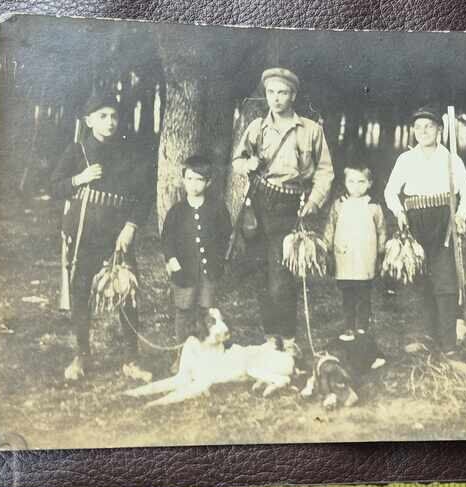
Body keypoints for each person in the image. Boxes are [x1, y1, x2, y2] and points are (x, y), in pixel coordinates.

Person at [52, 90, 155, 379]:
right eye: (102, 116)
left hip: (117, 236)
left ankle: (132, 359)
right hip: (83, 236)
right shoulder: (77, 151)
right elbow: (54, 186)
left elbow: (144, 196)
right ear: (89, 120)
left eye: (113, 116)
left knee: (126, 292)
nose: (110, 122)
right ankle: (81, 355)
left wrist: (131, 226)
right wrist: (79, 178)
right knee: (80, 292)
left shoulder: (129, 152)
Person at [231, 67, 334, 347]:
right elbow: (238, 160)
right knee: (262, 275)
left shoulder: (311, 130)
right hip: (258, 205)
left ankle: (288, 340)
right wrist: (248, 164)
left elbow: (325, 171)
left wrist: (314, 201)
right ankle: (270, 338)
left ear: (293, 96)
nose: (276, 98)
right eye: (271, 92)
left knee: (281, 280)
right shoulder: (257, 127)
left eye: (282, 92)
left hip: (290, 207)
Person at [384, 105, 466, 355]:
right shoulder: (406, 160)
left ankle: (448, 343)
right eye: (418, 127)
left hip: (444, 220)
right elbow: (390, 191)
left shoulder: (451, 159)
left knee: (445, 280)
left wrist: (460, 215)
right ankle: (426, 336)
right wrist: (399, 212)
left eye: (429, 126)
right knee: (420, 278)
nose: (423, 131)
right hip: (414, 222)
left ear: (439, 130)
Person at [161, 155, 232, 343]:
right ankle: (182, 351)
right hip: (183, 269)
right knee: (183, 311)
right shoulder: (177, 211)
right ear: (183, 180)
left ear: (208, 182)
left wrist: (219, 259)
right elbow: (167, 239)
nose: (193, 184)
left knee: (206, 310)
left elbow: (226, 234)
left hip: (209, 270)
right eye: (189, 178)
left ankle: (206, 347)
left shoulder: (217, 209)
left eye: (199, 179)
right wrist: (172, 260)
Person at [324, 163, 387, 341]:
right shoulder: (339, 204)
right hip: (344, 255)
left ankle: (362, 327)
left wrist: (381, 251)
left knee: (363, 293)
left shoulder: (373, 206)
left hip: (365, 256)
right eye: (351, 181)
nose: (356, 186)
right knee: (347, 293)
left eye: (361, 182)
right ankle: (349, 326)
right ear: (345, 182)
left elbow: (382, 230)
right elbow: (330, 226)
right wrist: (327, 247)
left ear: (369, 183)